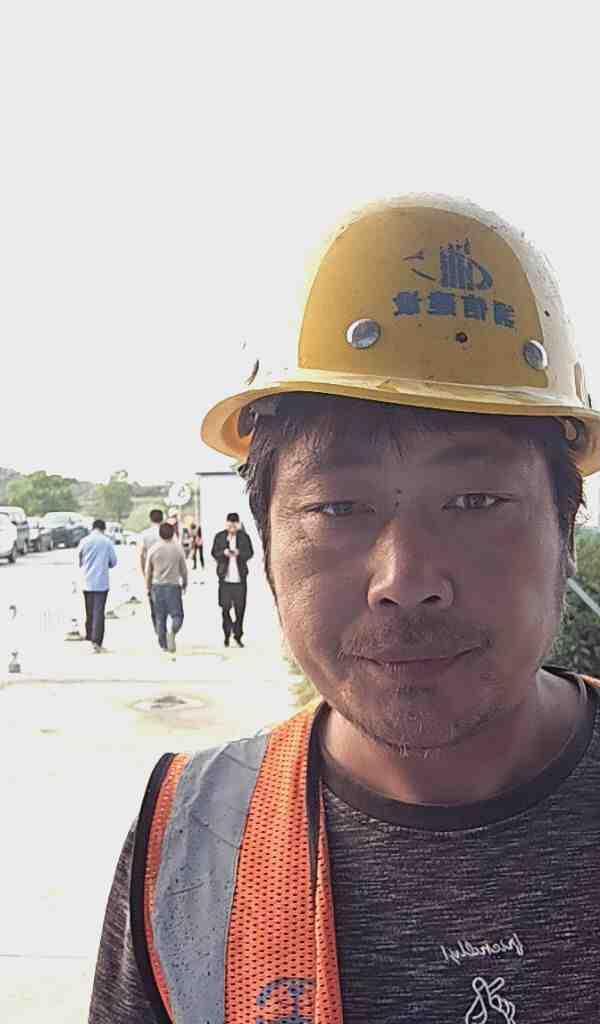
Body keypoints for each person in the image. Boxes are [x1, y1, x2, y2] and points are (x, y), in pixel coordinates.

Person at [89, 196, 600, 1023]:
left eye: (474, 500)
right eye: (337, 507)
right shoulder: (189, 840)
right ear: (263, 544)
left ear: (564, 530)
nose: (405, 579)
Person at [211, 512, 254, 647]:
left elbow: (250, 553)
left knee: (240, 610)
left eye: (234, 525)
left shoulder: (244, 537)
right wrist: (223, 553)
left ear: (238, 525)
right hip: (225, 580)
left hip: (240, 580)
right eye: (229, 525)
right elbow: (214, 553)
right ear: (226, 524)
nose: (232, 528)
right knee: (225, 608)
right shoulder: (220, 536)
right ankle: (226, 633)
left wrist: (239, 553)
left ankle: (238, 634)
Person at [145, 521, 188, 654]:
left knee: (160, 617)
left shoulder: (153, 549)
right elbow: (184, 569)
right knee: (177, 615)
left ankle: (163, 644)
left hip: (157, 587)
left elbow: (148, 571)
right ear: (173, 533)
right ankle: (173, 631)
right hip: (173, 586)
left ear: (160, 534)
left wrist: (148, 587)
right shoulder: (178, 549)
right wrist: (185, 582)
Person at [77, 518, 117, 653]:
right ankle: (96, 641)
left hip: (86, 581)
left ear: (92, 528)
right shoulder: (107, 542)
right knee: (99, 612)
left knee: (89, 611)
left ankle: (89, 637)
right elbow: (113, 562)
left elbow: (79, 560)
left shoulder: (84, 541)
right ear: (103, 529)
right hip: (101, 582)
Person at [139, 508, 164, 634]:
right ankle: (163, 627)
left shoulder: (145, 534)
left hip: (152, 573)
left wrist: (144, 573)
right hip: (167, 572)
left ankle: (158, 629)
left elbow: (141, 555)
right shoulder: (168, 533)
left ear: (150, 519)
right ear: (162, 519)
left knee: (153, 603)